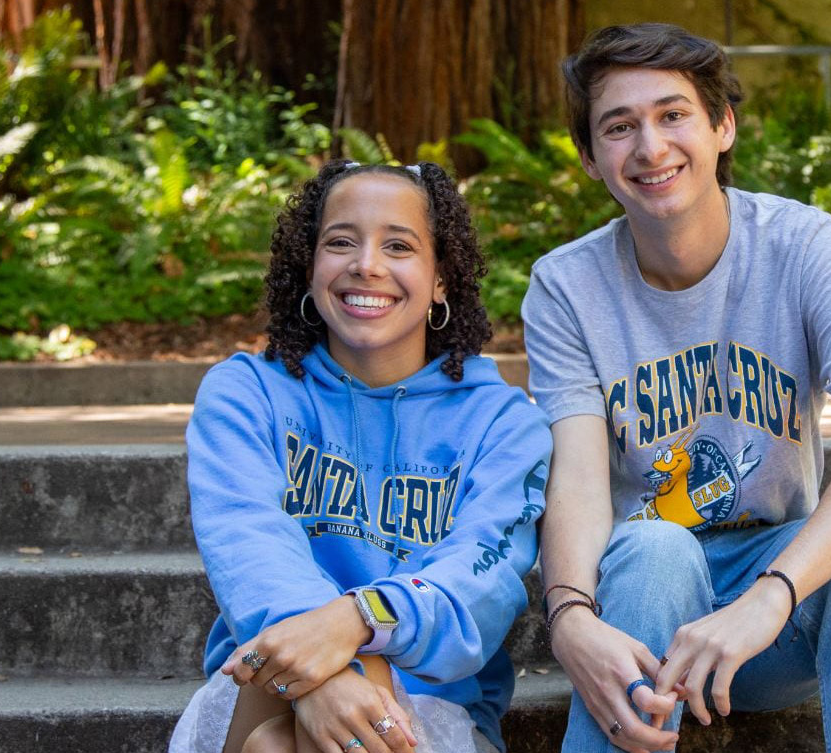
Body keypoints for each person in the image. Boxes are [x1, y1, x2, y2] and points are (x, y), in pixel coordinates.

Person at [521, 23, 831, 753]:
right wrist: (571, 617)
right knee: (654, 547)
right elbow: (580, 483)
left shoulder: (809, 247)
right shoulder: (567, 286)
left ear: (722, 126)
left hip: (779, 617)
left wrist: (771, 594)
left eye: (673, 114)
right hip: (641, 614)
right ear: (590, 157)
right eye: (619, 127)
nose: (651, 148)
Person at [171, 160, 551, 753]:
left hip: (434, 705)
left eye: (398, 245)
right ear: (309, 266)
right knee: (286, 717)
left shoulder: (503, 423)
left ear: (441, 278)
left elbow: (485, 579)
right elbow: (247, 540)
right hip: (266, 679)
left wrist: (360, 621)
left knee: (275, 748)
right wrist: (325, 670)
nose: (366, 264)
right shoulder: (246, 393)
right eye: (340, 242)